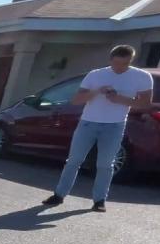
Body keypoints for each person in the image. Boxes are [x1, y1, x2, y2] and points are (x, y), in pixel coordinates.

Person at [43, 45, 154, 212]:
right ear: (110, 60)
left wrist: (119, 99)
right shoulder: (96, 75)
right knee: (74, 160)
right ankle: (59, 195)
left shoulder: (142, 76)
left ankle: (99, 200)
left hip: (115, 125)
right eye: (116, 63)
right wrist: (96, 92)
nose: (119, 67)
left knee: (105, 164)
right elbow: (76, 100)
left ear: (131, 61)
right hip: (88, 123)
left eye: (124, 64)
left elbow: (145, 104)